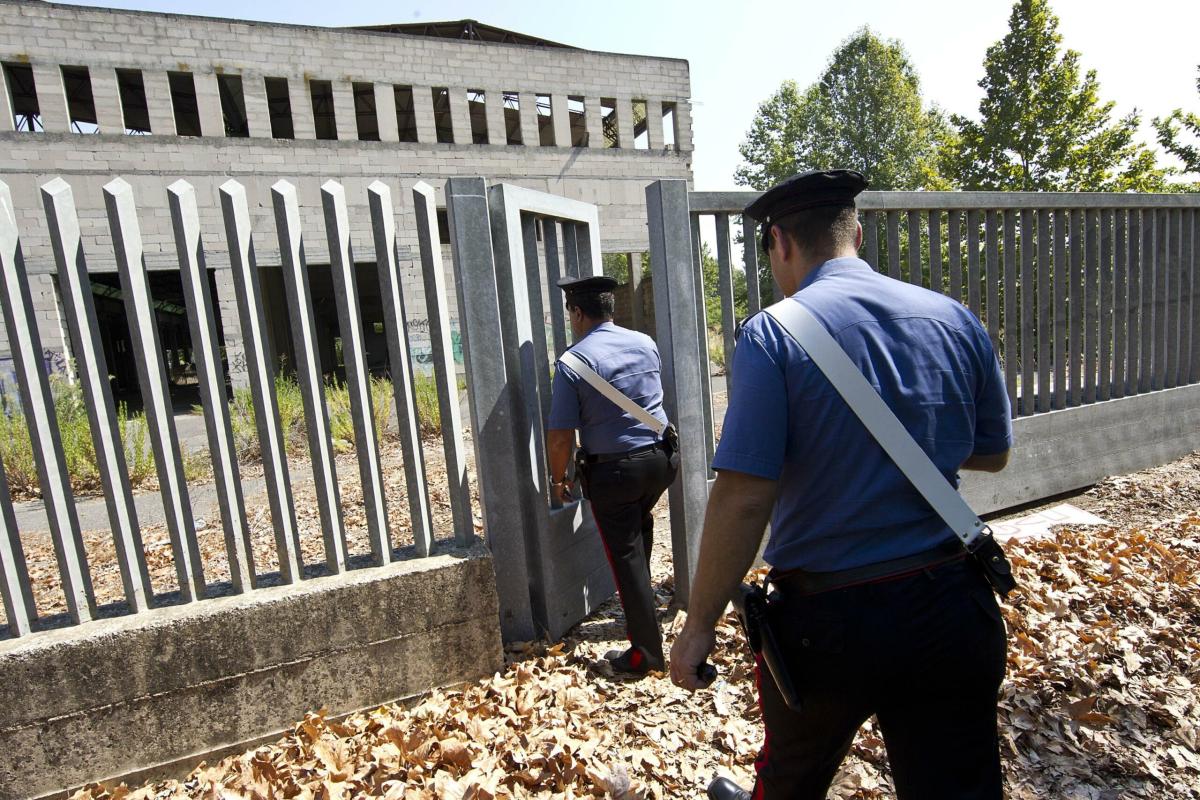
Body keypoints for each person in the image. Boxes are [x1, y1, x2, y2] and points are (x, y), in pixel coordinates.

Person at [668, 169, 1013, 800]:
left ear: (780, 243)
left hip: (826, 624)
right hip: (949, 601)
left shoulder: (772, 334)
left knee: (790, 782)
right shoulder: (955, 318)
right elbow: (993, 454)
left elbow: (745, 497)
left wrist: (699, 626)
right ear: (856, 232)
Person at [547, 274, 678, 676]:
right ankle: (645, 602)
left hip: (616, 473)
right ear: (612, 309)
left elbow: (560, 437)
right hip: (662, 461)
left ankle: (645, 655)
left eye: (571, 312)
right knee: (636, 528)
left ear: (577, 312)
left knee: (624, 555)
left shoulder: (573, 362)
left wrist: (558, 480)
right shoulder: (645, 343)